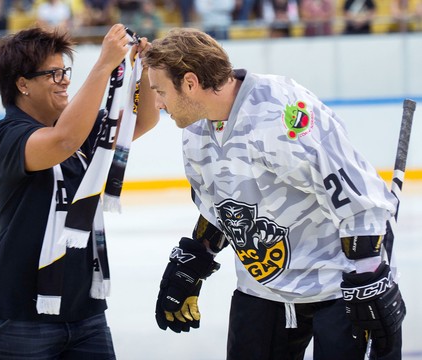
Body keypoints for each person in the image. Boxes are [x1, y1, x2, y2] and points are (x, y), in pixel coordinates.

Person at [143, 28, 406, 359]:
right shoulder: (195, 126)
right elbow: (219, 206)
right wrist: (196, 259)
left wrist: (369, 279)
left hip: (337, 284)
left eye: (160, 91)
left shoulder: (280, 113)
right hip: (263, 288)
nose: (157, 103)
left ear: (191, 83)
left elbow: (358, 199)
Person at [0, 24, 159, 359]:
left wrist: (140, 69)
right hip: (20, 316)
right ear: (22, 85)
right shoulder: (8, 136)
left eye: (65, 71)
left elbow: (142, 121)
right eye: (53, 73)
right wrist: (103, 66)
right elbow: (63, 141)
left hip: (84, 312)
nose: (65, 80)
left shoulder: (80, 129)